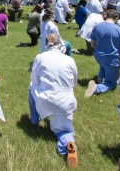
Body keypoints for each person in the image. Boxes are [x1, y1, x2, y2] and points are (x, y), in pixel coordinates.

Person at [28, 33, 79, 167]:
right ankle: (68, 143)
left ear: (47, 44)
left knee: (31, 86)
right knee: (63, 129)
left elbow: (34, 79)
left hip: (47, 99)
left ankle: (34, 119)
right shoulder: (70, 60)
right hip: (66, 101)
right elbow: (74, 83)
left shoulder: (40, 57)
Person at [86, 10, 120, 97]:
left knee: (104, 65)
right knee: (113, 83)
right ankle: (97, 88)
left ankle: (101, 79)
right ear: (116, 18)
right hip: (112, 57)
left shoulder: (97, 27)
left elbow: (92, 44)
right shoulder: (119, 30)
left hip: (98, 55)